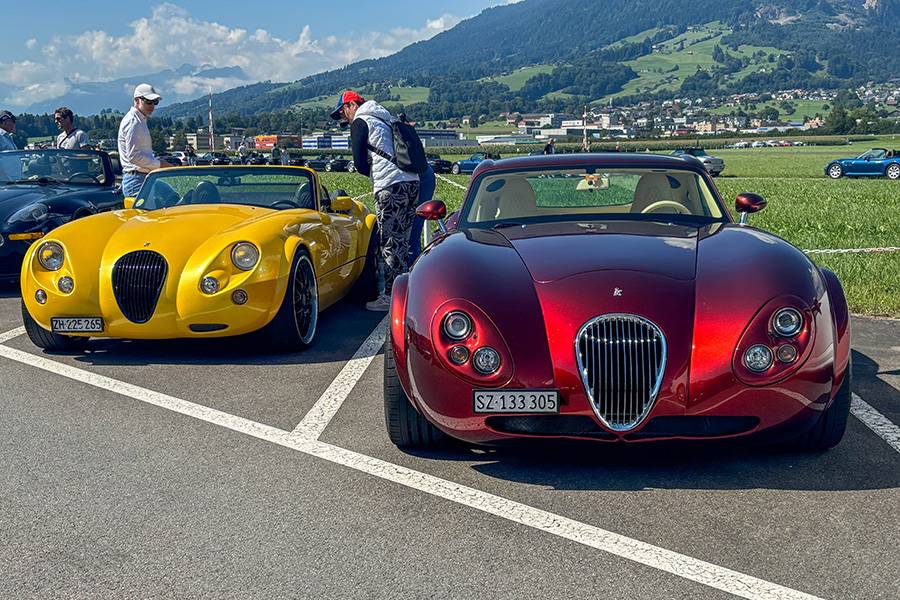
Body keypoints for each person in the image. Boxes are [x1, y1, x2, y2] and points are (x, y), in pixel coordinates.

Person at [331, 90, 419, 311]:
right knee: (404, 240)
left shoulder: (361, 121)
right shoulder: (385, 116)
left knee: (390, 242)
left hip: (390, 185)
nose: (344, 117)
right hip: (411, 181)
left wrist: (370, 168)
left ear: (351, 105)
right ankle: (408, 291)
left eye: (343, 112)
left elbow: (359, 163)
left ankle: (391, 297)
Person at [117, 83, 171, 197]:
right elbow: (134, 157)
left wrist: (156, 161)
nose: (152, 106)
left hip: (141, 177)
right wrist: (160, 164)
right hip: (136, 180)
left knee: (172, 198)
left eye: (155, 102)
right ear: (137, 101)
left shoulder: (139, 120)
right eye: (148, 102)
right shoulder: (134, 122)